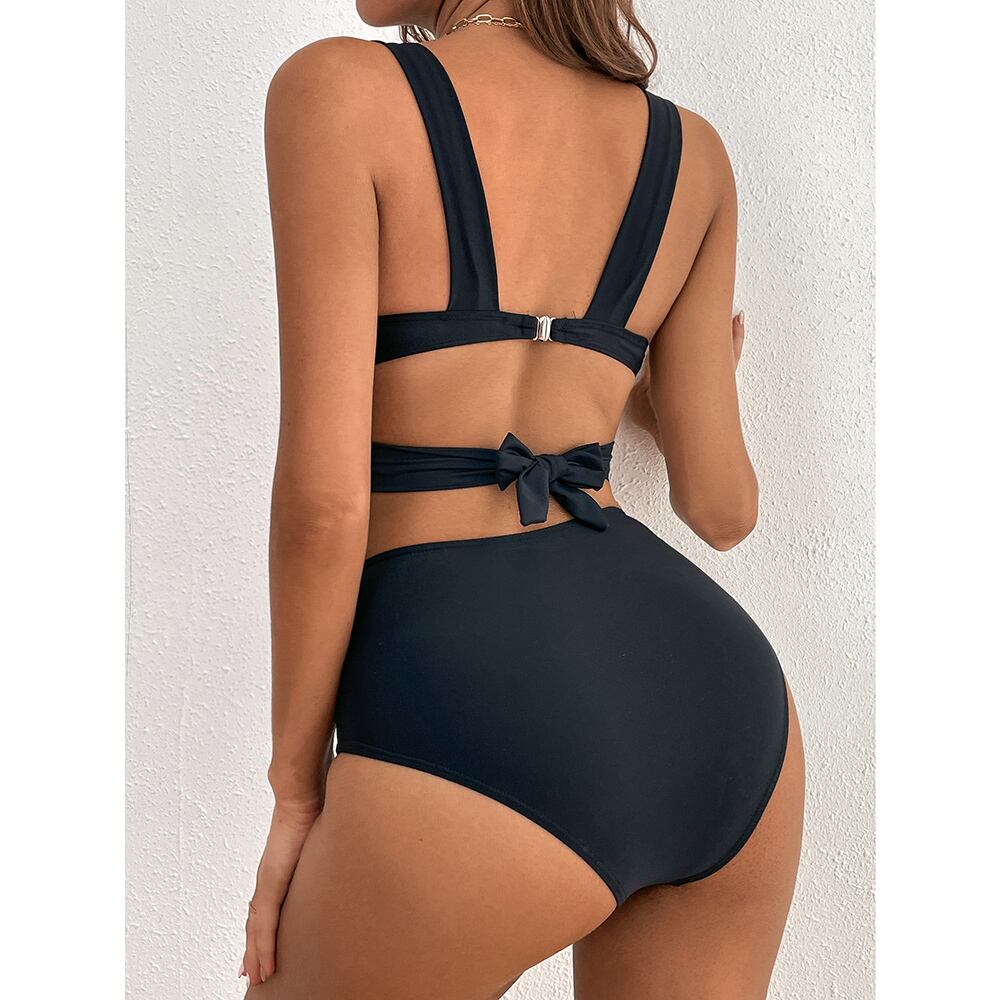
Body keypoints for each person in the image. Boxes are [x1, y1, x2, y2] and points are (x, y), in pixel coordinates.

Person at [242, 3, 805, 997]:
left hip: (478, 698)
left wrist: (296, 786)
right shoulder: (692, 156)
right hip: (723, 715)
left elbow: (326, 506)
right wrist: (650, 384)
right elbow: (723, 509)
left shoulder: (338, 91)